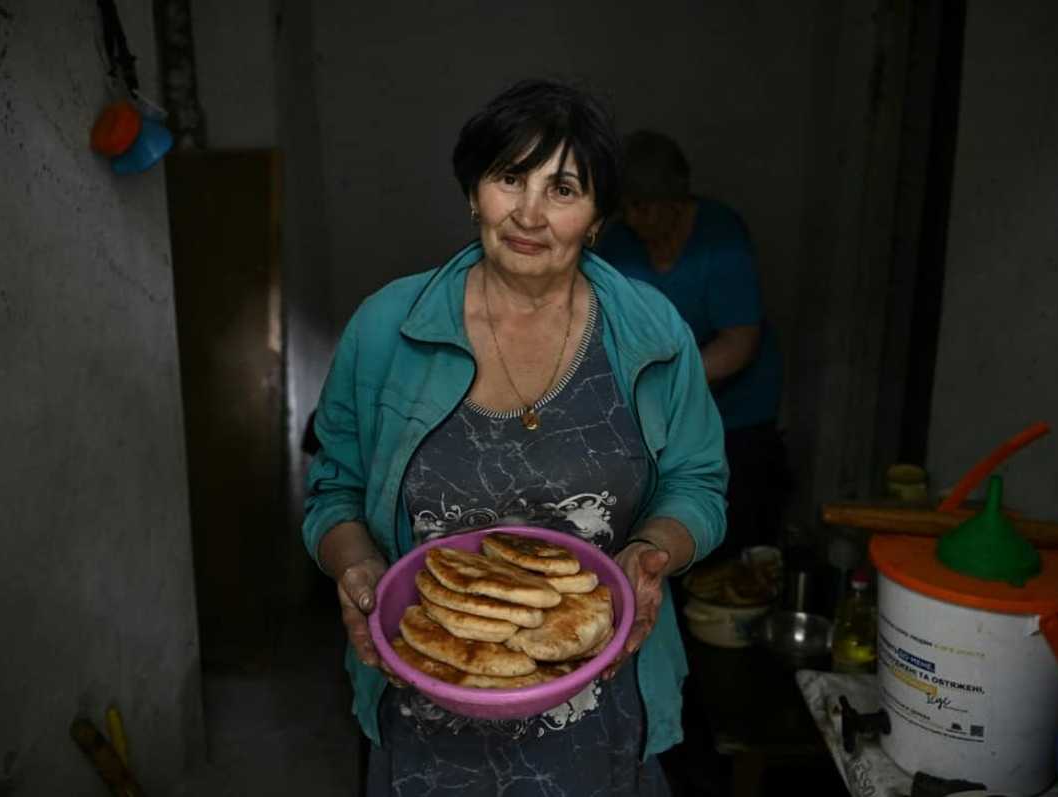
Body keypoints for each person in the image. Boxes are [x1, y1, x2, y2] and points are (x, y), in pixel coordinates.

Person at [303, 81, 728, 796]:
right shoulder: (385, 329)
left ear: (597, 217)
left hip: (604, 715)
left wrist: (652, 551)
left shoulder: (652, 334)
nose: (530, 213)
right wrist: (354, 567)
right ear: (474, 192)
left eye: (563, 188)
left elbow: (699, 482)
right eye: (509, 178)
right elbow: (332, 489)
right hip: (428, 703)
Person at [597, 130, 790, 562]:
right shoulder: (618, 244)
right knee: (659, 529)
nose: (631, 217)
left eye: (642, 206)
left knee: (734, 531)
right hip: (653, 416)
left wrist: (666, 385)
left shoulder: (720, 238)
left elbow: (740, 342)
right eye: (625, 206)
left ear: (675, 200)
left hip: (738, 411)